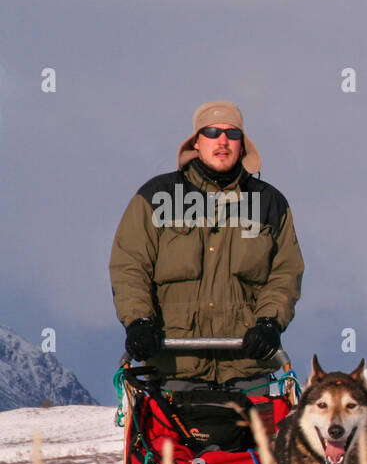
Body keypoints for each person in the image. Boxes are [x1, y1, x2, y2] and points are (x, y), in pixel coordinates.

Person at [109, 100, 304, 386]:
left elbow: (285, 274)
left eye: (232, 134)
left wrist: (269, 323)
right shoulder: (155, 197)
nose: (223, 140)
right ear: (196, 142)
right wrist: (139, 322)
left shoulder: (269, 203)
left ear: (242, 145)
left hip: (248, 372)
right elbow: (129, 266)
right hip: (171, 372)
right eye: (212, 132)